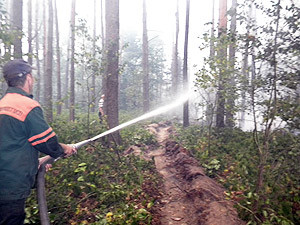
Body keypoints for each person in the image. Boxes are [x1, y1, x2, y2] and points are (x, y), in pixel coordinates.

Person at [0, 59, 76, 225]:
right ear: (28, 78)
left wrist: (35, 163)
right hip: (11, 187)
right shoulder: (27, 106)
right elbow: (48, 143)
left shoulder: (2, 104)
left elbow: (10, 144)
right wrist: (63, 149)